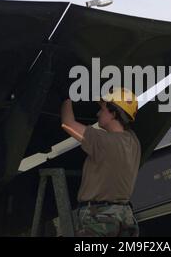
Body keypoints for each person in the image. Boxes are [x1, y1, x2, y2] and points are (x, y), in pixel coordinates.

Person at [60, 87, 141, 237]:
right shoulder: (133, 141)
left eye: (102, 109)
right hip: (125, 217)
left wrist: (67, 98)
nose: (97, 113)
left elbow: (67, 123)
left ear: (114, 113)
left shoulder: (103, 141)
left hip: (99, 219)